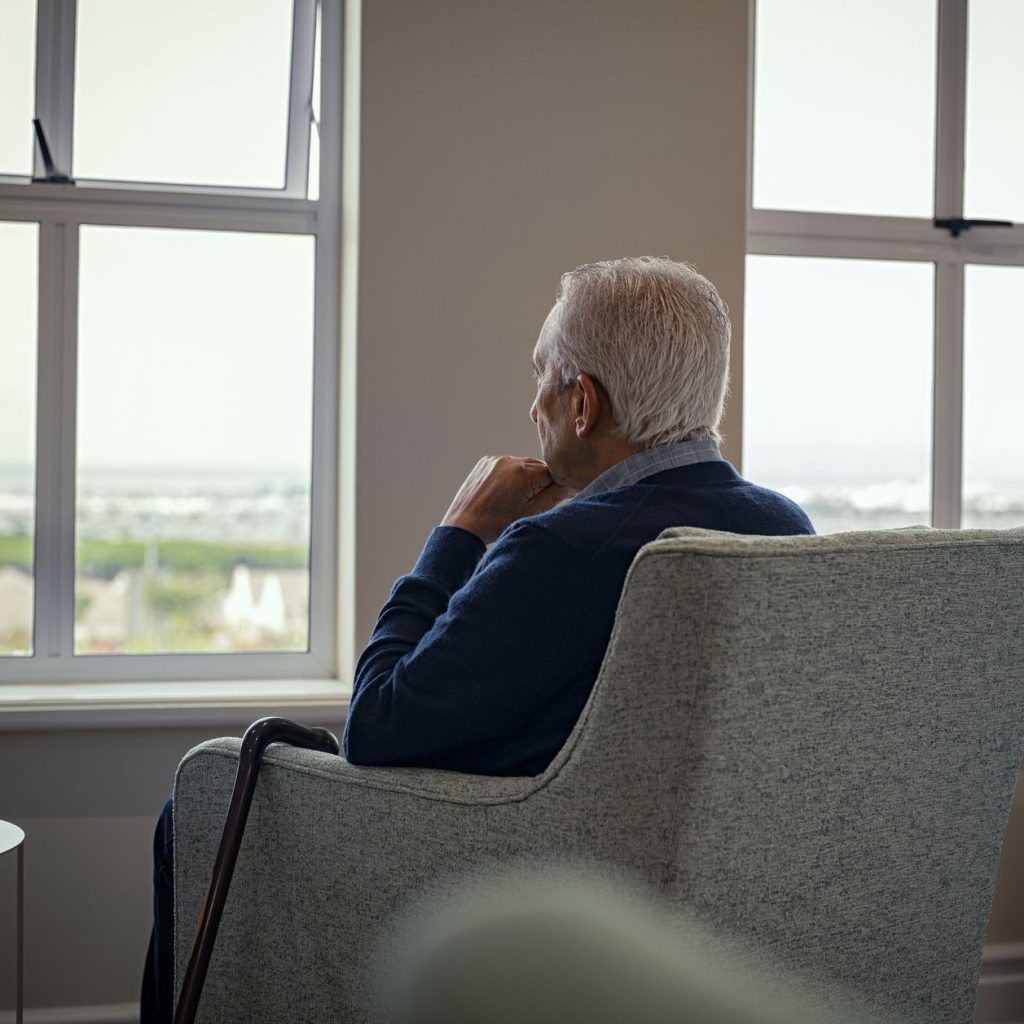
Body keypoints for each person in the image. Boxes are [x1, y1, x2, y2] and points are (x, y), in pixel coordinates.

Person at [140, 256, 813, 1020]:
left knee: (203, 797)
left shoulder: (564, 549)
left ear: (583, 403)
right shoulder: (787, 530)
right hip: (696, 889)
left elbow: (378, 728)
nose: (534, 406)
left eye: (542, 379)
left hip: (522, 868)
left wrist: (458, 533)